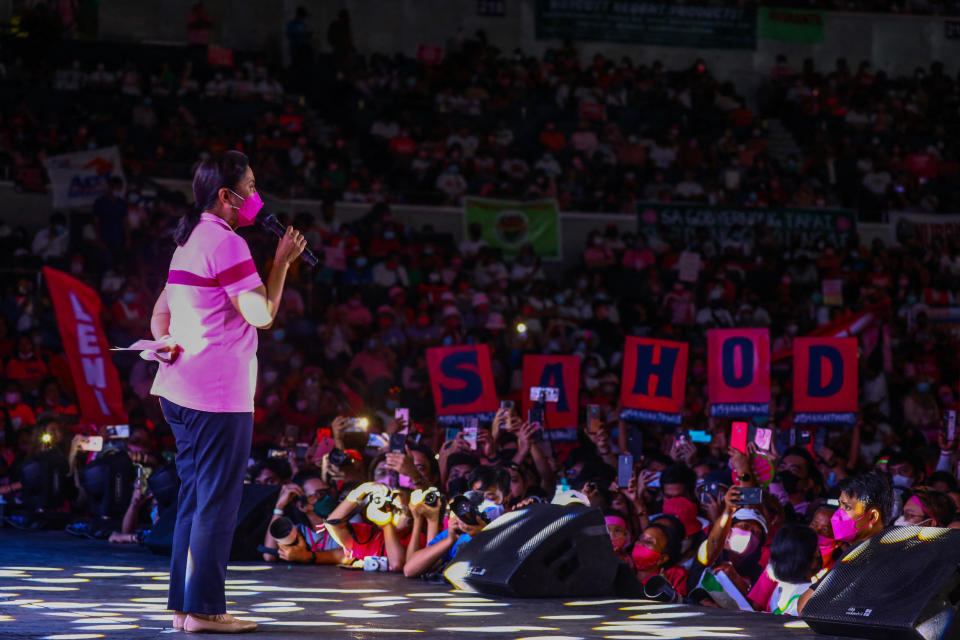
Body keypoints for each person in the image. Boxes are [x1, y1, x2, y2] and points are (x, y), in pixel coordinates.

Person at [149, 150, 306, 634]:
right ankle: (204, 611)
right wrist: (281, 264)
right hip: (218, 397)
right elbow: (261, 314)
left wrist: (167, 344)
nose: (257, 197)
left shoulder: (187, 240)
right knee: (215, 503)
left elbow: (160, 314)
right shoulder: (228, 243)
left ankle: (185, 609)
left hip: (179, 391)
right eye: (251, 187)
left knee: (195, 501)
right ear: (226, 195)